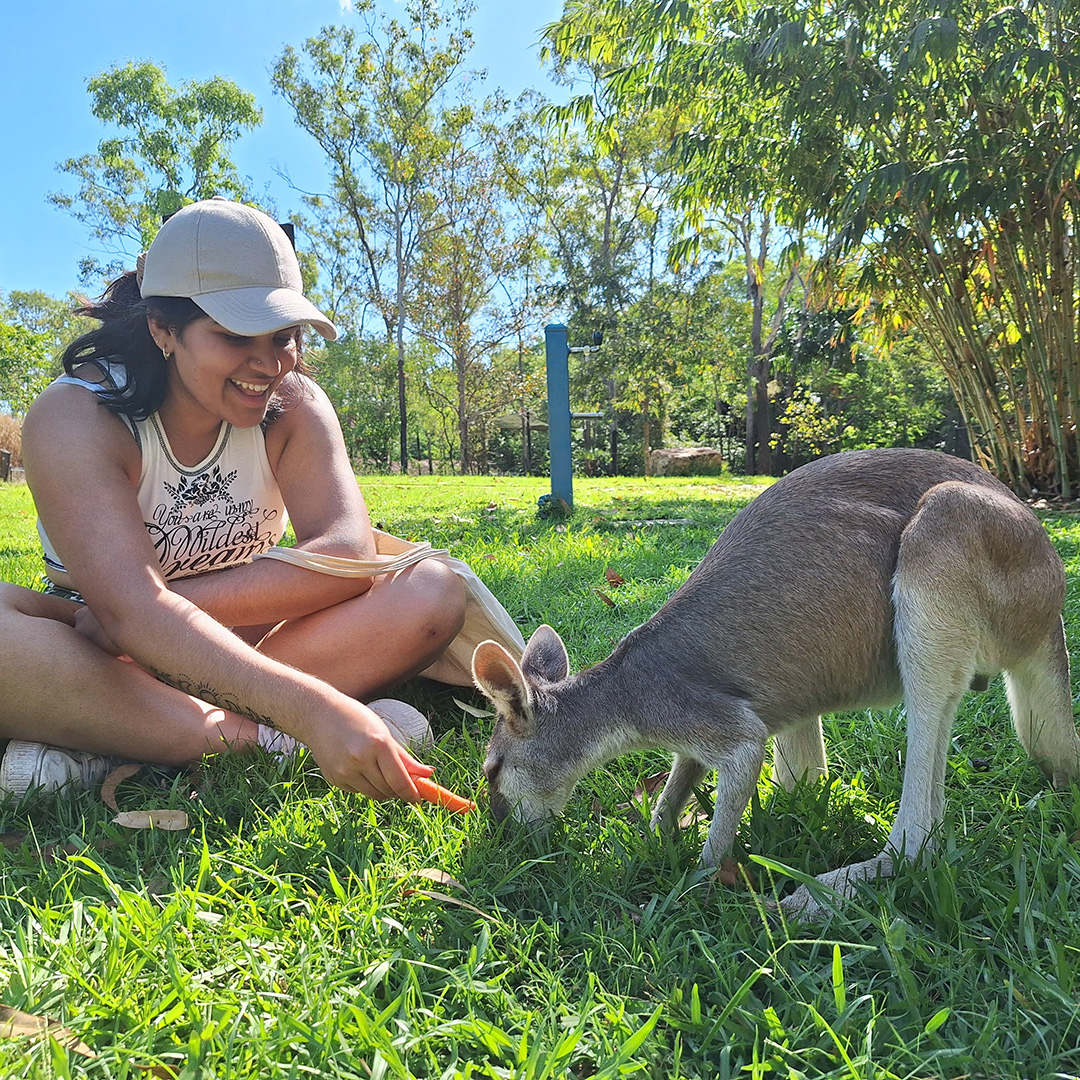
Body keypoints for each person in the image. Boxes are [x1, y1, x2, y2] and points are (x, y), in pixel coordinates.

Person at [0, 197, 467, 802]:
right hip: (98, 652)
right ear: (162, 328)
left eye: (285, 336)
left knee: (432, 590)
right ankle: (263, 737)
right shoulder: (77, 415)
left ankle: (114, 734)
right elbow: (128, 615)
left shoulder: (296, 405)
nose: (269, 363)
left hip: (226, 635)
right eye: (234, 335)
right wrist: (313, 710)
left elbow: (348, 552)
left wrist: (159, 613)